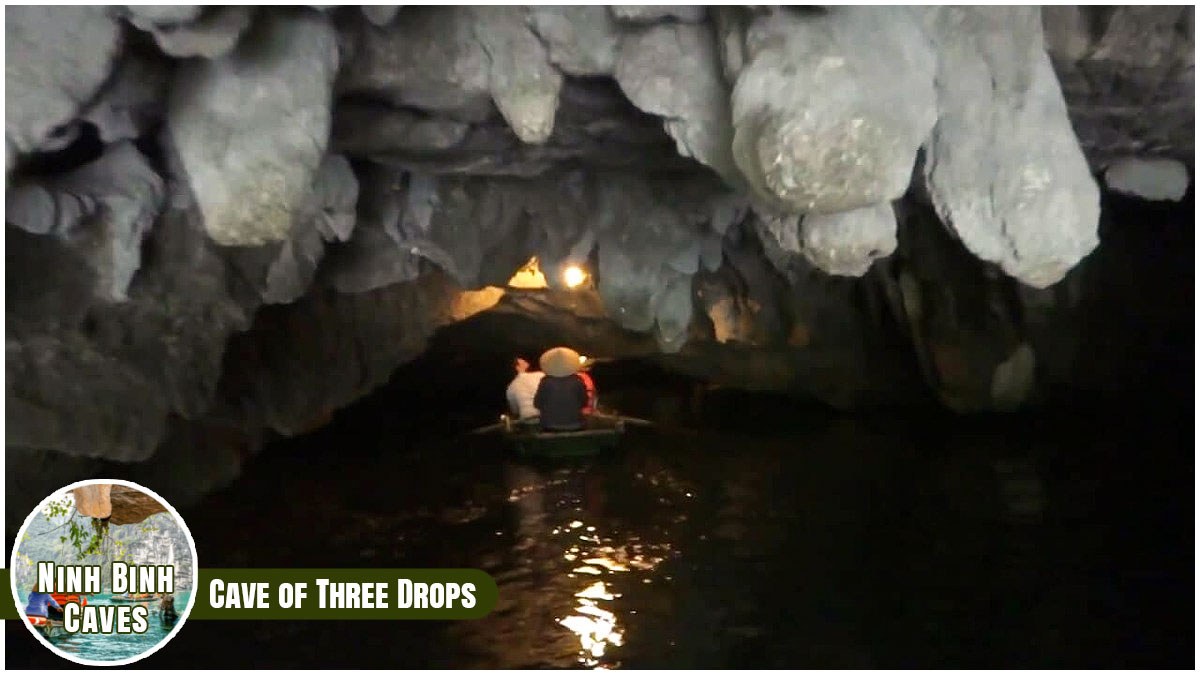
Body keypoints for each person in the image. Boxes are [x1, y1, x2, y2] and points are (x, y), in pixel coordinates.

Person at [534, 347, 589, 431]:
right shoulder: (578, 381)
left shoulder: (545, 382)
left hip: (549, 426)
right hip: (576, 425)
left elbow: (537, 404)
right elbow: (584, 403)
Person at [505, 356, 544, 421]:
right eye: (521, 361)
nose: (523, 360)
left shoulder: (510, 388)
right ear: (517, 367)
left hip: (526, 419)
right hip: (543, 415)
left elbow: (515, 410)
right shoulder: (539, 375)